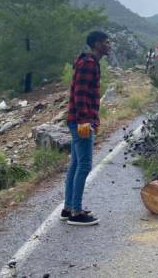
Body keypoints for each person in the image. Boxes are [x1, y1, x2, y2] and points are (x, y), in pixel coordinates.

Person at [62, 31, 111, 226]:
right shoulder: (89, 64)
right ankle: (76, 211)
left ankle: (68, 207)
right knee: (84, 165)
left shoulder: (88, 63)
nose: (110, 45)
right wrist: (85, 121)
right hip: (81, 121)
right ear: (97, 44)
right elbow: (80, 94)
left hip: (80, 120)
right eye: (107, 42)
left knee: (75, 164)